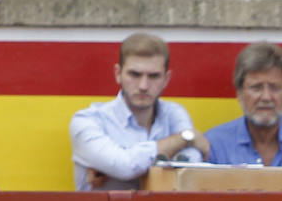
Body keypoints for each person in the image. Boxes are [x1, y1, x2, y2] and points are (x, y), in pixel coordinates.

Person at [69, 32, 208, 190]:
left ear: (166, 79)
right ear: (118, 74)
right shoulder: (87, 120)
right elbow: (125, 166)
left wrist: (125, 169)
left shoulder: (174, 113)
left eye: (154, 76)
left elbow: (189, 164)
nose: (143, 85)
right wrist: (185, 138)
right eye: (135, 74)